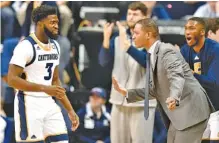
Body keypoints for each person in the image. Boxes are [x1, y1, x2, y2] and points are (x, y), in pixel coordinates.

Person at [112, 18, 213, 143]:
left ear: (148, 35)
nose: (133, 37)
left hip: (192, 112)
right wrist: (127, 92)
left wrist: (174, 97)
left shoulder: (166, 50)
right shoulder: (151, 55)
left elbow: (177, 76)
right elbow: (155, 90)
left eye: (136, 33)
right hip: (179, 116)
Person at [7, 5, 79, 143]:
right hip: (29, 104)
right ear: (39, 24)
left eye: (57, 22)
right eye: (52, 22)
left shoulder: (55, 46)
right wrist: (44, 88)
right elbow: (12, 79)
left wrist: (70, 110)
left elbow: (56, 81)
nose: (57, 26)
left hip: (49, 104)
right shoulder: (25, 47)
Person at [98, 2, 156, 143]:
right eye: (129, 13)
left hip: (142, 103)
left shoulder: (152, 39)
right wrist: (106, 39)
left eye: (135, 14)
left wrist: (128, 47)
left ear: (145, 17)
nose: (131, 17)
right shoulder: (118, 39)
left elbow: (147, 63)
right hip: (118, 101)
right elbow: (103, 62)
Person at [180, 17, 219, 142]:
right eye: (186, 28)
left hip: (215, 108)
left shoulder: (215, 49)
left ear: (203, 32)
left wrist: (191, 74)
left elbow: (214, 83)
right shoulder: (185, 50)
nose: (187, 31)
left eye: (192, 28)